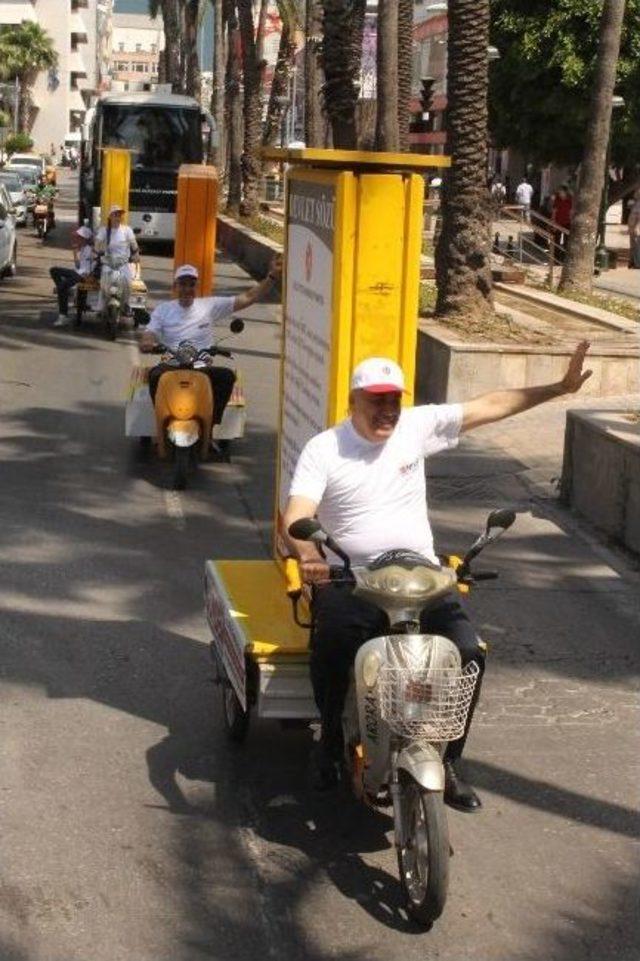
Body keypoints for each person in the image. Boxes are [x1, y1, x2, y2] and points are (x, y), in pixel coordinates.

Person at [283, 344, 593, 806]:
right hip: (353, 576)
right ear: (353, 402)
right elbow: (297, 513)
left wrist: (560, 388)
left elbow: (492, 405)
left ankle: (448, 761)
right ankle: (329, 742)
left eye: (394, 400)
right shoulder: (324, 449)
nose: (387, 410)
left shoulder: (415, 427)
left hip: (419, 573)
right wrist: (310, 557)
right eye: (376, 400)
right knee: (334, 644)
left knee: (468, 652)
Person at [139, 259, 282, 425]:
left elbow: (248, 297)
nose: (187, 289)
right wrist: (147, 342)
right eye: (182, 284)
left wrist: (272, 277)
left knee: (227, 377)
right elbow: (150, 332)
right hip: (171, 366)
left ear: (196, 287)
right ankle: (161, 422)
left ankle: (211, 423)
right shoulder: (163, 310)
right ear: (175, 286)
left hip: (201, 367)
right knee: (154, 376)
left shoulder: (209, 306)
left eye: (191, 284)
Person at [94, 204, 140, 315]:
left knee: (128, 282)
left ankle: (126, 304)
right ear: (110, 217)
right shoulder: (104, 230)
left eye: (119, 214)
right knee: (104, 281)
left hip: (123, 262)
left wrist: (136, 255)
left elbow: (134, 245)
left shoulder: (127, 230)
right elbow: (97, 242)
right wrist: (97, 251)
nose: (118, 217)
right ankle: (101, 306)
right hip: (108, 262)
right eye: (115, 214)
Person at [50, 225, 95, 327]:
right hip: (77, 272)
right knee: (54, 270)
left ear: (84, 239)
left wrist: (89, 275)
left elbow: (91, 267)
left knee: (63, 286)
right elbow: (78, 265)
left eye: (79, 237)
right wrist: (75, 253)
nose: (77, 239)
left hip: (83, 275)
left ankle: (63, 315)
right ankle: (62, 288)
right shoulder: (82, 249)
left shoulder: (90, 250)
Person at [552, 185, 573, 261]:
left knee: (566, 243)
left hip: (567, 223)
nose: (560, 193)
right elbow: (554, 212)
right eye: (559, 192)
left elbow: (571, 212)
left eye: (561, 192)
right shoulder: (557, 200)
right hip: (558, 223)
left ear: (565, 192)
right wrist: (553, 223)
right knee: (556, 241)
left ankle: (564, 258)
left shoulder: (569, 200)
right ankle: (556, 259)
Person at [627, 190, 640, 269]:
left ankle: (637, 263)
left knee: (637, 246)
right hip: (632, 228)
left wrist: (637, 227)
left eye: (636, 193)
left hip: (636, 228)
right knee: (633, 246)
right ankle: (632, 262)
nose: (634, 194)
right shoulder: (636, 203)